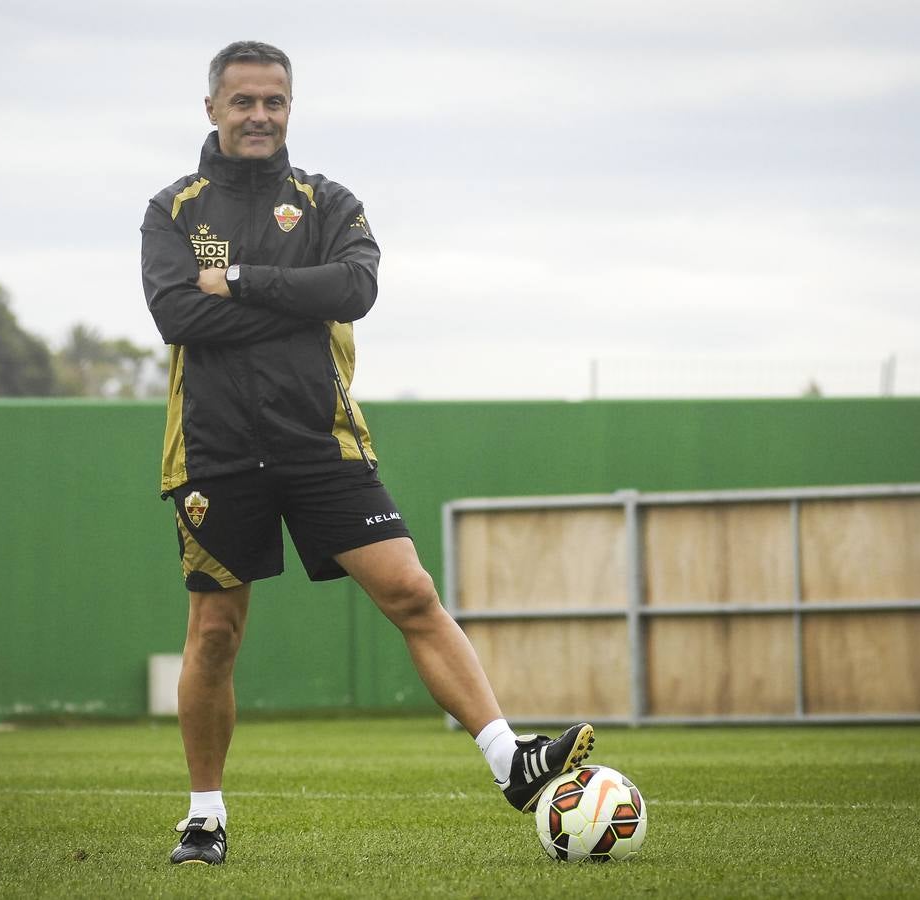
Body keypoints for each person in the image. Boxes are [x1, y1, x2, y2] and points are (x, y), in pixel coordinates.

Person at [139, 40, 595, 866]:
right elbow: (178, 317)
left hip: (322, 444)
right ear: (211, 108)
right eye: (242, 101)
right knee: (214, 634)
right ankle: (204, 817)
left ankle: (510, 760)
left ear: (290, 108)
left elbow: (354, 290)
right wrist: (294, 300)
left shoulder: (327, 200)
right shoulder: (173, 209)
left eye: (273, 102)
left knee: (412, 592)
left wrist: (237, 281)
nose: (258, 116)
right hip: (214, 450)